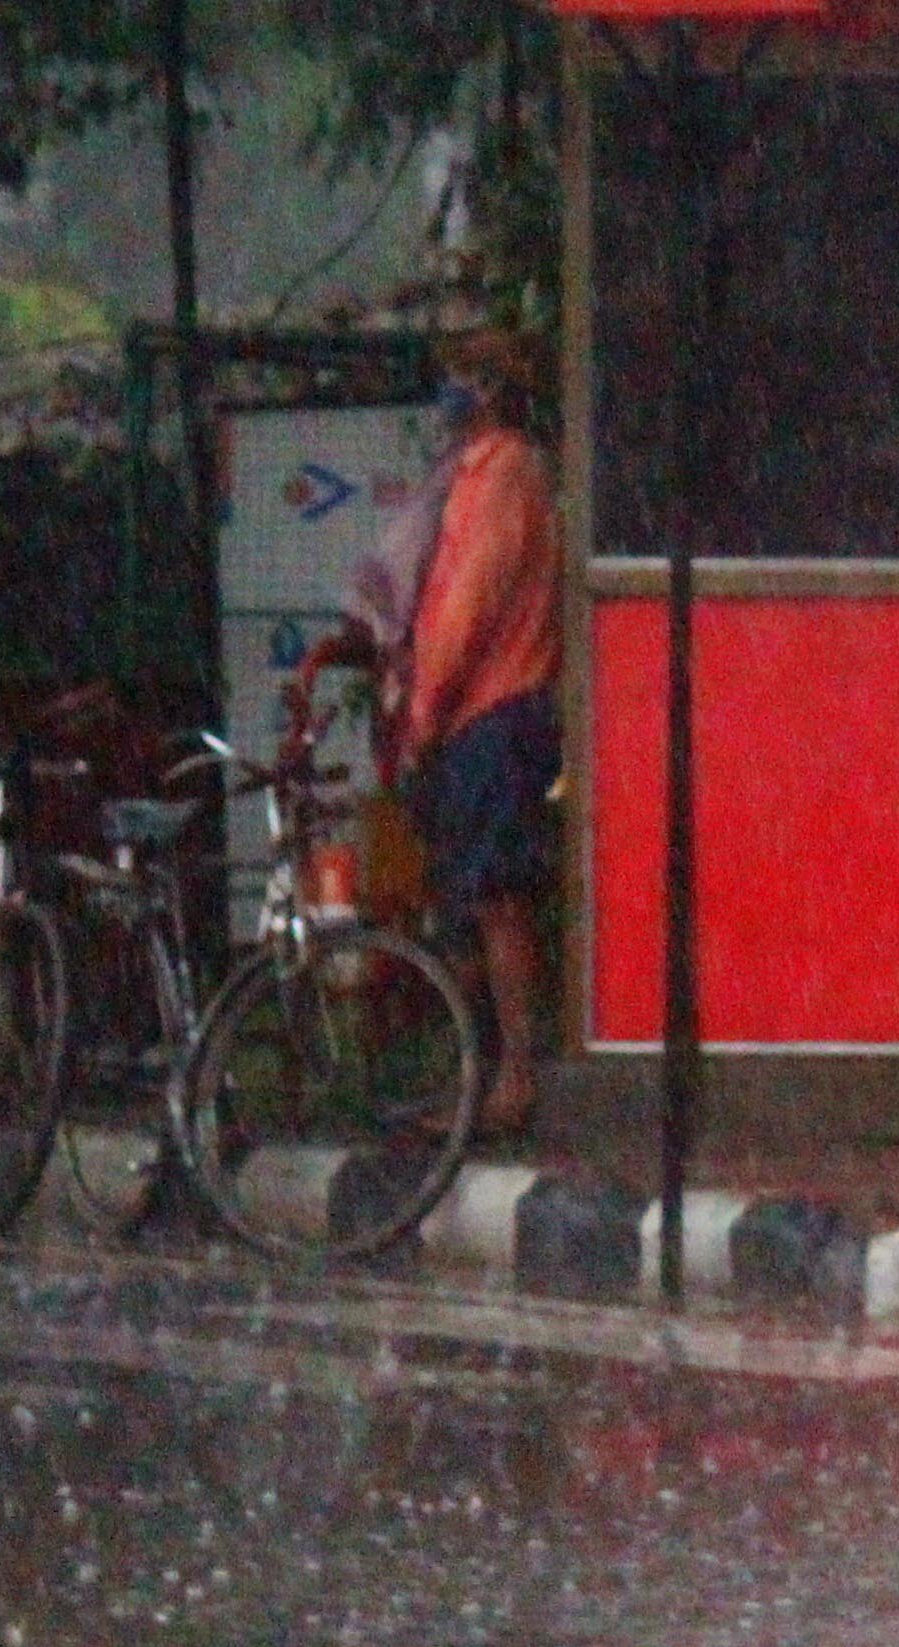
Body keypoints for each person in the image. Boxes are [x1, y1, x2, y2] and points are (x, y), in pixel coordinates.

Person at [356, 329, 562, 1142]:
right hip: (477, 713)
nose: (446, 392)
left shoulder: (504, 474)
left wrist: (425, 710)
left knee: (495, 900)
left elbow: (464, 612)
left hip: (493, 711)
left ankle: (512, 1079)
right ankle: (474, 1076)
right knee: (471, 900)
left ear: (486, 389)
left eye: (460, 378)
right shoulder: (474, 476)